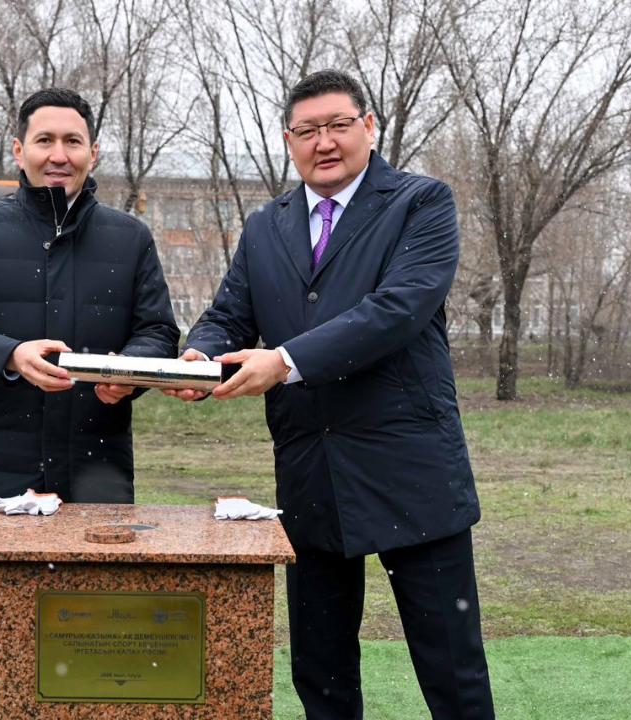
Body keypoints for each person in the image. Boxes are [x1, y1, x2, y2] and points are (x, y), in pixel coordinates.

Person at [168, 69, 495, 719]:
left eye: (338, 125)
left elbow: (396, 310)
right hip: (309, 468)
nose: (324, 142)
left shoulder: (420, 203)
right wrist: (200, 356)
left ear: (368, 127)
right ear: (288, 140)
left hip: (409, 468)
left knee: (450, 666)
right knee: (320, 668)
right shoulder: (267, 225)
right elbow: (230, 313)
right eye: (307, 130)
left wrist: (286, 361)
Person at [0, 87, 179, 716]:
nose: (58, 154)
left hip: (98, 471)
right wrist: (10, 354)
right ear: (19, 150)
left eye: (72, 141)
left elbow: (157, 329)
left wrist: (131, 372)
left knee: (98, 653)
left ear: (94, 152)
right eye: (44, 140)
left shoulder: (130, 237)